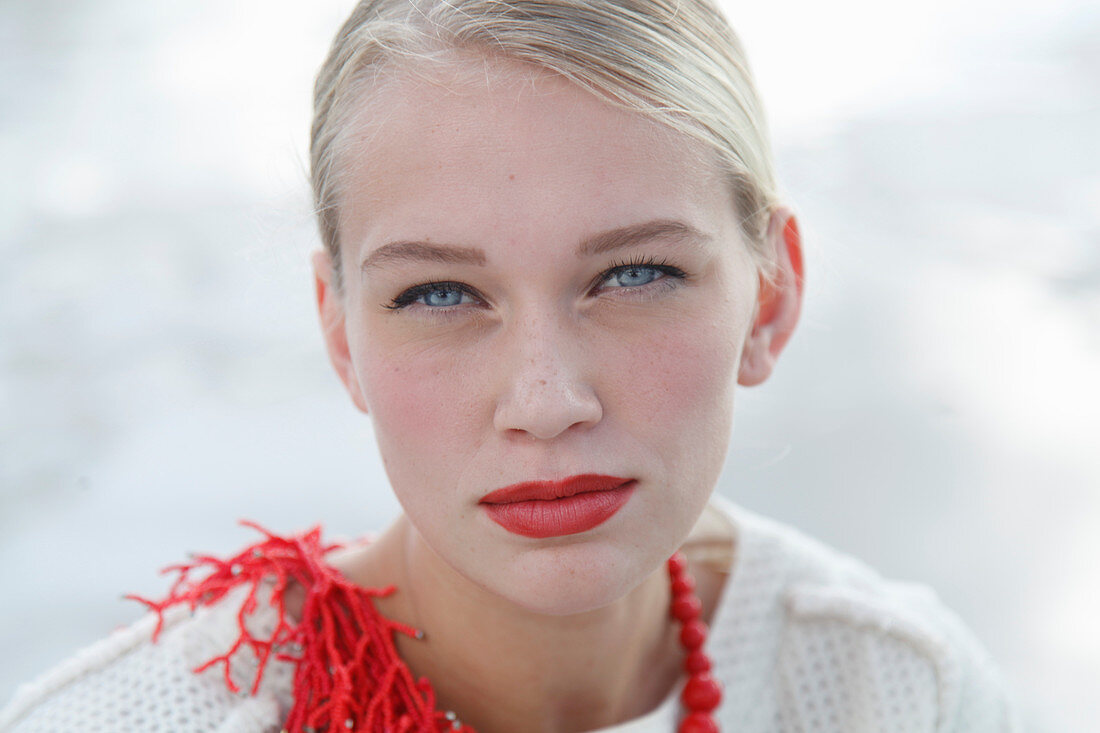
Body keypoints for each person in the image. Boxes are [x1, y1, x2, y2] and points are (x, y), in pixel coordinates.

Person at [0, 1, 1018, 731]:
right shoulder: (139, 718)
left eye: (634, 274)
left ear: (768, 296)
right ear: (340, 331)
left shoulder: (895, 691)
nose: (546, 401)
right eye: (438, 294)